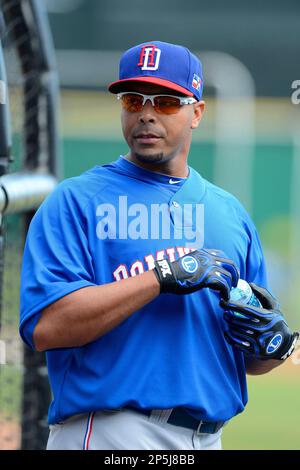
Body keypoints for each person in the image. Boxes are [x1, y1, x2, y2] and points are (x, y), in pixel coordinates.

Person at [20, 41, 298, 451]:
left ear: (197, 113)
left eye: (166, 102)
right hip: (114, 431)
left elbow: (251, 355)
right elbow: (47, 327)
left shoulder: (230, 213)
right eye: (134, 100)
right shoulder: (76, 201)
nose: (146, 114)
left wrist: (271, 346)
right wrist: (160, 278)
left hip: (208, 436)